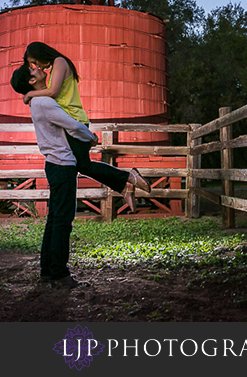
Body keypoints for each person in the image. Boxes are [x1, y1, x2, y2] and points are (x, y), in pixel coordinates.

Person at [9, 64, 145, 288]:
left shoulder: (37, 101)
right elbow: (71, 124)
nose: (38, 68)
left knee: (54, 220)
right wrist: (90, 136)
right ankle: (60, 274)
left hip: (55, 164)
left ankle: (48, 271)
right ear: (32, 81)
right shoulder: (44, 102)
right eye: (33, 69)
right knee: (63, 221)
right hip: (62, 165)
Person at [20, 41, 150, 203]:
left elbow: (53, 91)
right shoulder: (55, 67)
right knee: (78, 166)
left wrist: (31, 95)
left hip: (74, 119)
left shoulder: (60, 62)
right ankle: (124, 185)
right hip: (67, 122)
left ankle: (129, 178)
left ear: (41, 54)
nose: (36, 66)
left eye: (34, 61)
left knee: (83, 166)